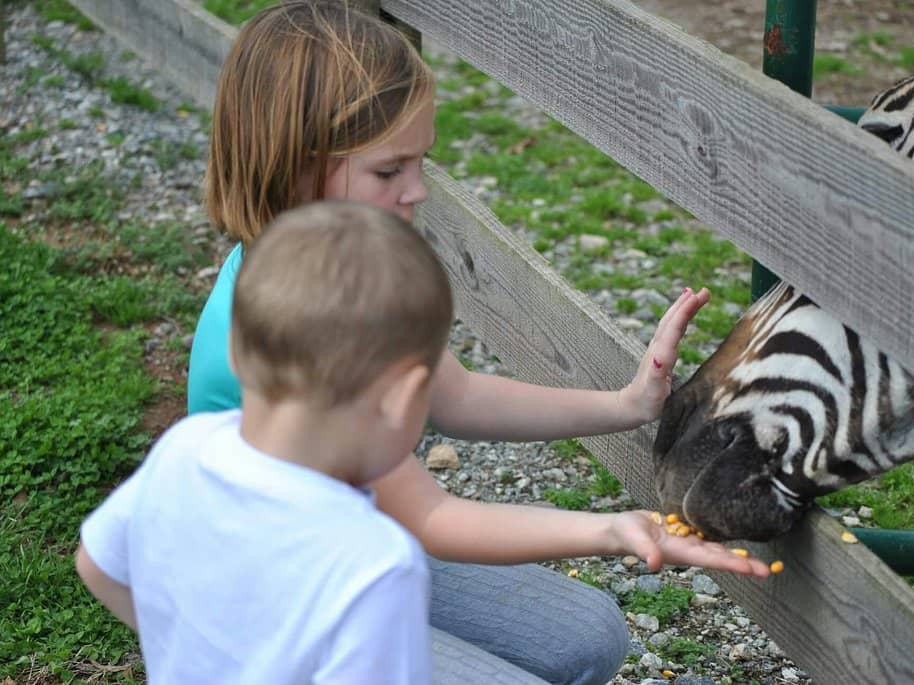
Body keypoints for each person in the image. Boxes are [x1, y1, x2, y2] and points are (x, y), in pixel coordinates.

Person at [187, 3, 771, 684]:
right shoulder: (305, 328)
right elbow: (432, 514)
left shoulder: (341, 262)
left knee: (589, 635)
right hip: (277, 600)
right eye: (389, 172)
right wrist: (614, 528)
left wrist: (629, 401)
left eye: (421, 162)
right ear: (297, 166)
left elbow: (456, 393)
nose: (418, 191)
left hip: (354, 543)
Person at [77, 201, 456, 683]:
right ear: (402, 399)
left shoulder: (185, 447)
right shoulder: (378, 564)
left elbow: (97, 564)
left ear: (235, 352)